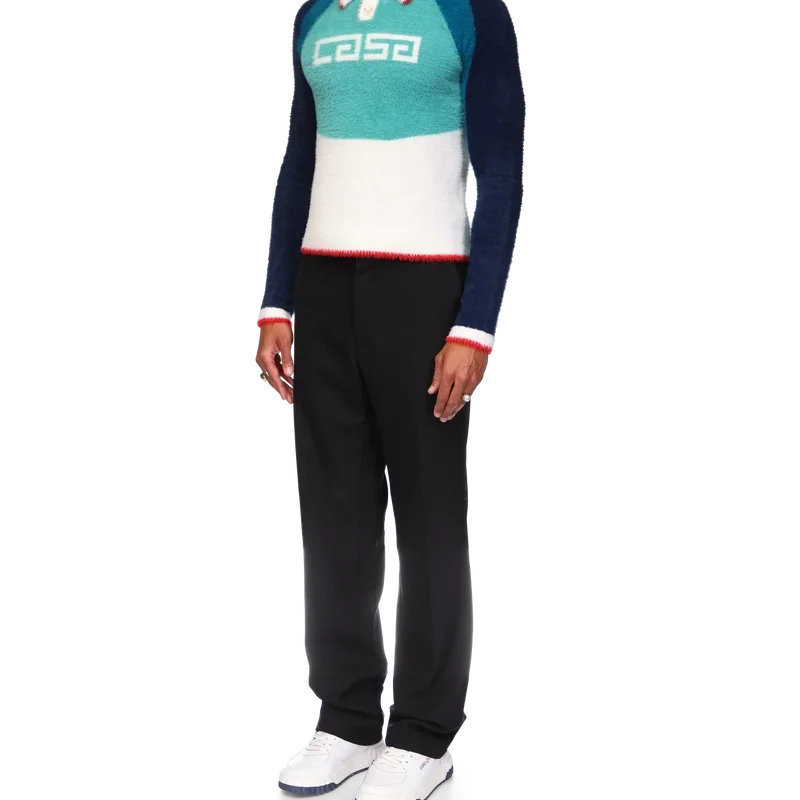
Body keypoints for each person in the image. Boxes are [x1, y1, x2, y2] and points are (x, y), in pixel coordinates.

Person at [257, 0, 524, 796]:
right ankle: (346, 722)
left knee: (428, 514)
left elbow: (502, 168)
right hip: (321, 286)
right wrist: (276, 303)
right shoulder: (318, 15)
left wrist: (474, 323)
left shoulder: (469, 11)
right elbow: (300, 161)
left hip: (426, 291)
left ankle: (425, 734)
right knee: (333, 514)